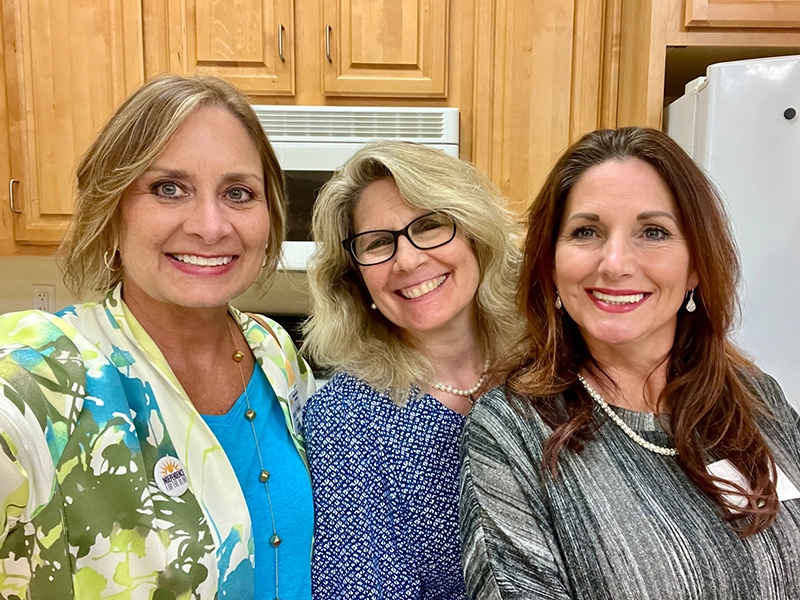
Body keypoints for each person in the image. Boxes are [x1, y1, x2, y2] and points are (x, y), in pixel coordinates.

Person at [0, 75, 315, 599]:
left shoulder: (273, 352)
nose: (211, 226)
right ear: (113, 205)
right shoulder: (48, 376)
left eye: (238, 193)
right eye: (168, 188)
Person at [460, 127, 800, 600]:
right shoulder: (511, 429)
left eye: (653, 232)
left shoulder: (758, 396)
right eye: (586, 232)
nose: (615, 263)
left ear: (696, 266)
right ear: (549, 265)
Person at [301, 141, 521, 598]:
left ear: (476, 234)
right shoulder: (346, 421)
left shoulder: (549, 369)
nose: (408, 259)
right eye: (378, 242)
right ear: (354, 276)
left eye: (430, 225)